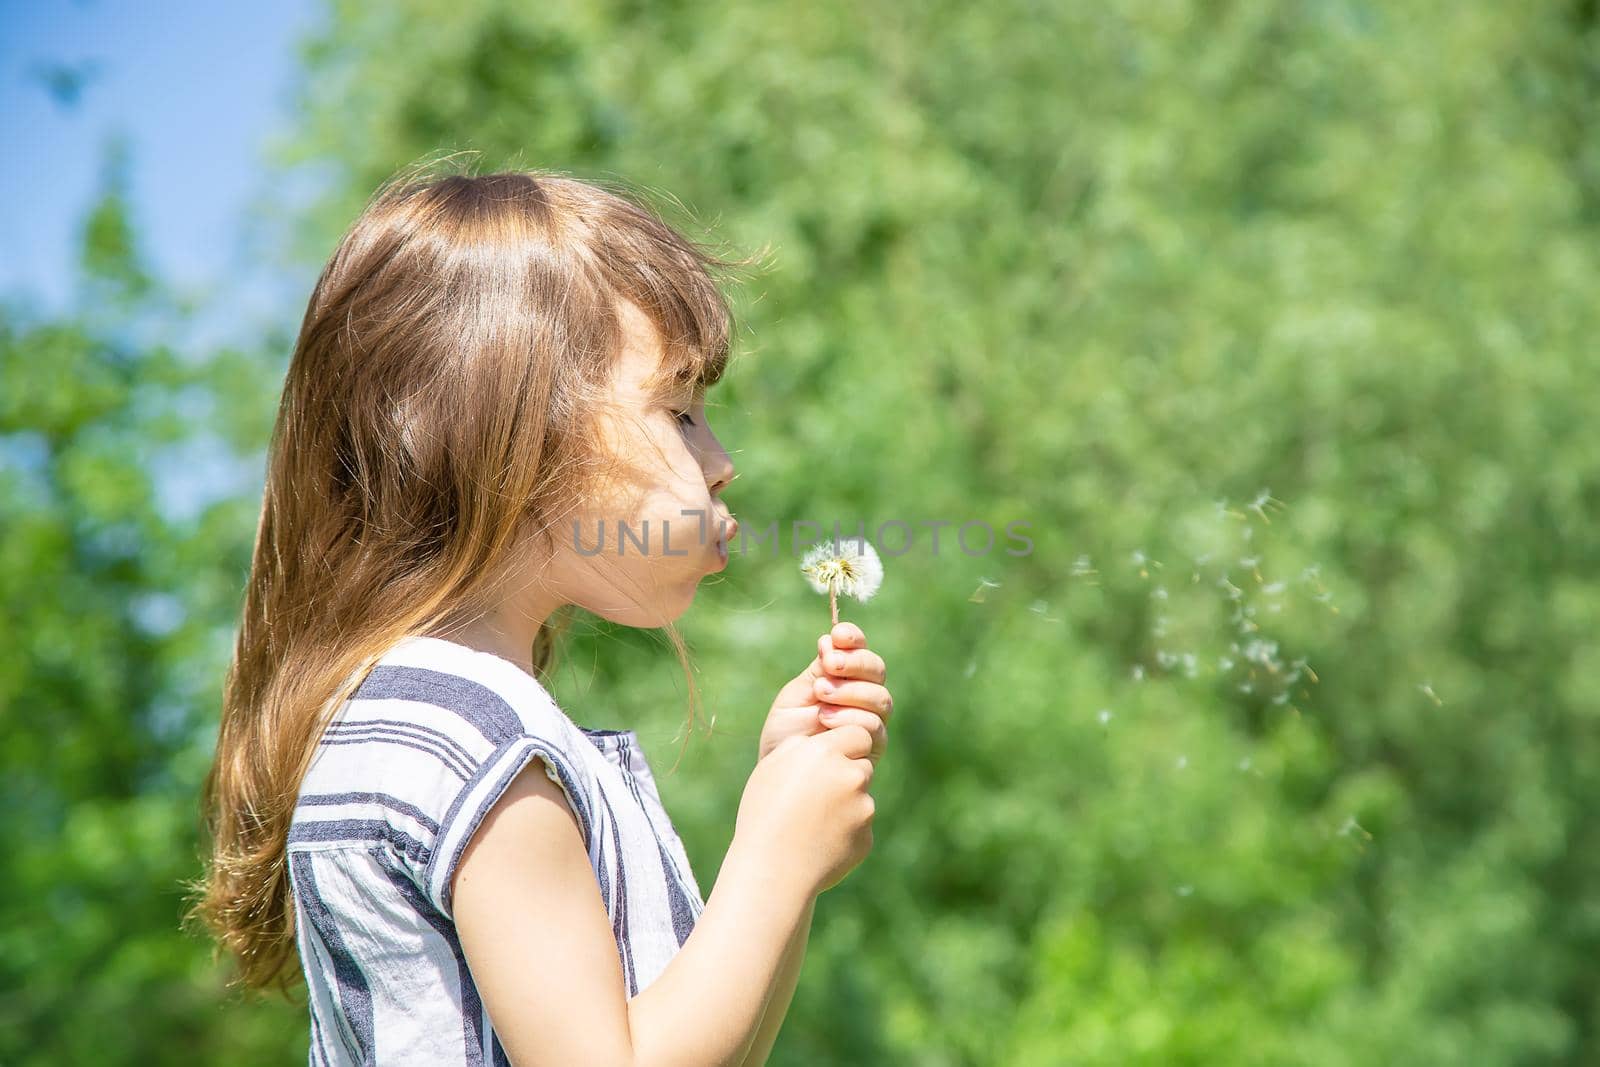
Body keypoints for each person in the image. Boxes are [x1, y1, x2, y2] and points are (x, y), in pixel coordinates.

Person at [186, 163, 894, 1065]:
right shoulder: (475, 742)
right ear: (511, 433)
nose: (721, 461)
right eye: (678, 412)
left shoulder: (450, 724)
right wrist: (773, 855)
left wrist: (783, 853)